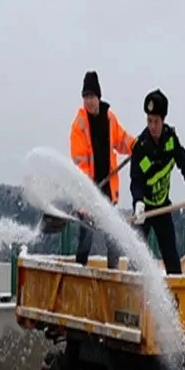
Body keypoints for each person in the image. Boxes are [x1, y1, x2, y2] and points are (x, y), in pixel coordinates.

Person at [130, 89, 185, 274]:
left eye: (156, 121)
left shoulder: (170, 139)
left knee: (171, 257)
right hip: (143, 210)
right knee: (136, 258)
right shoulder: (141, 147)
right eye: (149, 121)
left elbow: (183, 162)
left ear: (163, 120)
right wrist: (138, 201)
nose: (152, 126)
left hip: (162, 207)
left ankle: (176, 296)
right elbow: (135, 180)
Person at [69, 70, 136, 269]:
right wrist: (89, 191)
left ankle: (113, 271)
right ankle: (79, 270)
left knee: (111, 235)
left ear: (98, 96)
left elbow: (122, 140)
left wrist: (136, 146)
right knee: (86, 235)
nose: (89, 101)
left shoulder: (109, 119)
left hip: (106, 189)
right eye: (85, 97)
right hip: (88, 191)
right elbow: (80, 163)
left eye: (92, 96)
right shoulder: (79, 125)